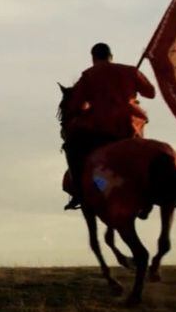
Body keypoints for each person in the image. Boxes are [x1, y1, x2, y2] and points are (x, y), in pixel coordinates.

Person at [62, 43, 156, 210]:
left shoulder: (89, 75)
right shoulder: (130, 71)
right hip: (132, 128)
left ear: (93, 58)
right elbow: (151, 92)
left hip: (101, 128)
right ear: (111, 56)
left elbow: (75, 105)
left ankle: (78, 193)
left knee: (72, 148)